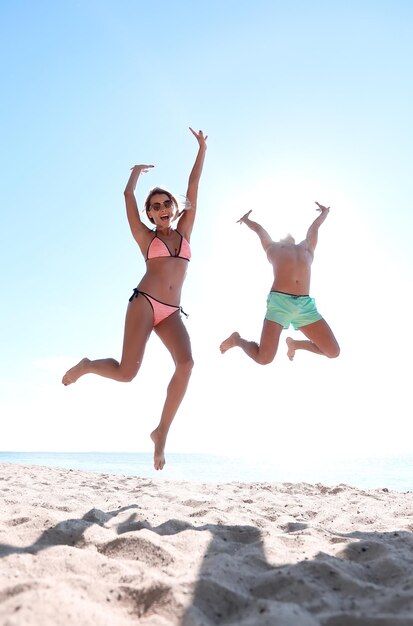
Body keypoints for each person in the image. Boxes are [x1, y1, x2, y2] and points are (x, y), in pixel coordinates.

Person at [62, 128, 207, 470]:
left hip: (172, 312)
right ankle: (87, 365)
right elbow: (127, 198)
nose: (162, 209)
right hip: (144, 302)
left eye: (166, 203)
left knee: (186, 365)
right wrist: (134, 176)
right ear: (151, 214)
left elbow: (194, 186)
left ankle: (161, 434)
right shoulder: (146, 237)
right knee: (127, 374)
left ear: (173, 207)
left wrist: (201, 148)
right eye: (155, 207)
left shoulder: (185, 231)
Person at [220, 202, 340, 364]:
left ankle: (295, 344)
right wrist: (246, 220)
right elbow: (260, 230)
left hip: (305, 306)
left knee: (333, 352)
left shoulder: (307, 248)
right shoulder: (273, 248)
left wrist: (324, 213)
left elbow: (315, 228)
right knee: (264, 358)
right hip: (279, 303)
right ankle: (237, 340)